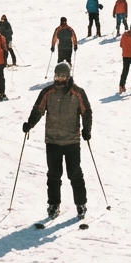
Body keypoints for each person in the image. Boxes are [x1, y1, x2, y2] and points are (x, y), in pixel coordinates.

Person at [23, 62, 93, 220]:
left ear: (68, 76)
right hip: (53, 140)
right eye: (57, 75)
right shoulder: (48, 92)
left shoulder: (77, 92)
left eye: (62, 75)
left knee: (75, 174)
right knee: (54, 175)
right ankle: (54, 205)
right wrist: (30, 124)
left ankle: (81, 204)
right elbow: (38, 109)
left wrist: (87, 130)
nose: (59, 78)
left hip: (71, 141)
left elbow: (86, 112)